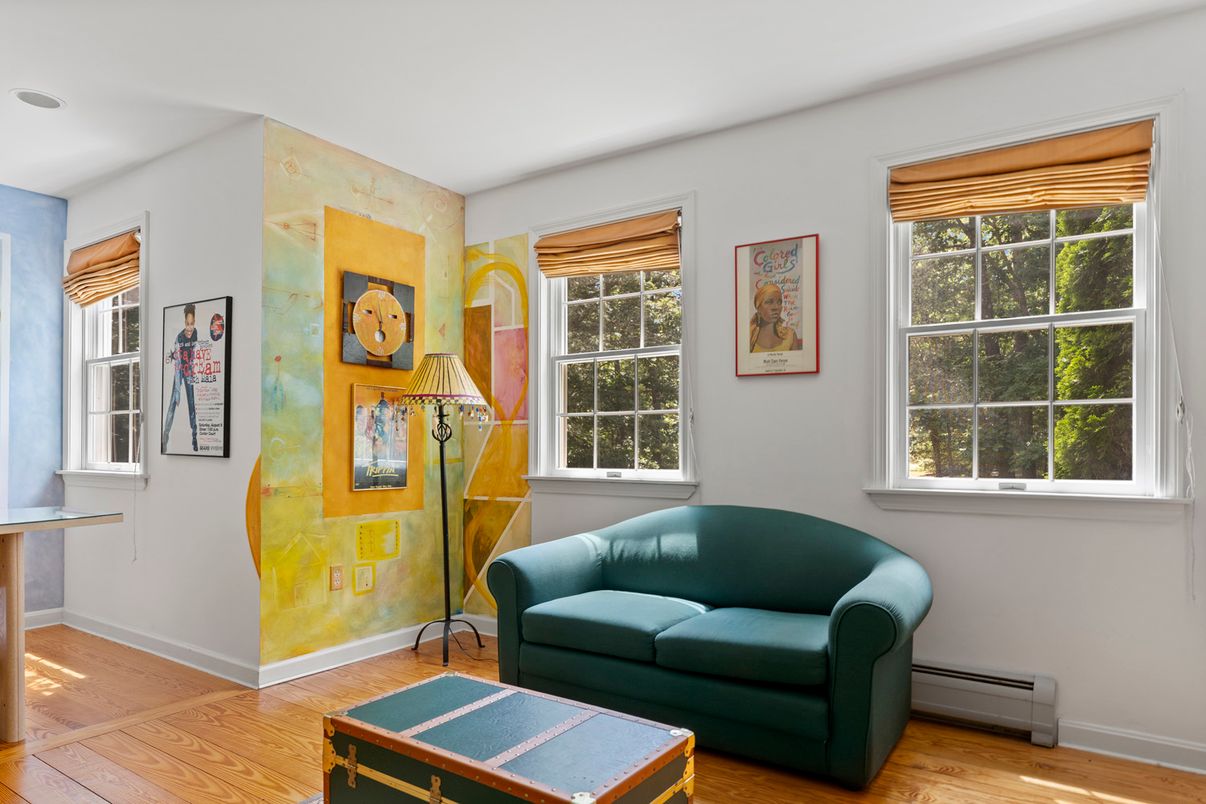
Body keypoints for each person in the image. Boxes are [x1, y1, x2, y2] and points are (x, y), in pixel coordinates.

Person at [163, 303, 199, 452]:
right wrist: (178, 384)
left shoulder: (195, 333)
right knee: (173, 402)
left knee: (192, 403)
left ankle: (194, 437)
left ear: (194, 322)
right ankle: (165, 436)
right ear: (184, 322)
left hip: (189, 371)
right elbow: (176, 359)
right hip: (179, 371)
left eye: (192, 324)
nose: (189, 327)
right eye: (187, 324)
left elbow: (196, 352)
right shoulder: (179, 337)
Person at [749, 283, 801, 353]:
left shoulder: (790, 335)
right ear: (758, 308)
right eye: (769, 302)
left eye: (779, 302)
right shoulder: (749, 336)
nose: (776, 307)